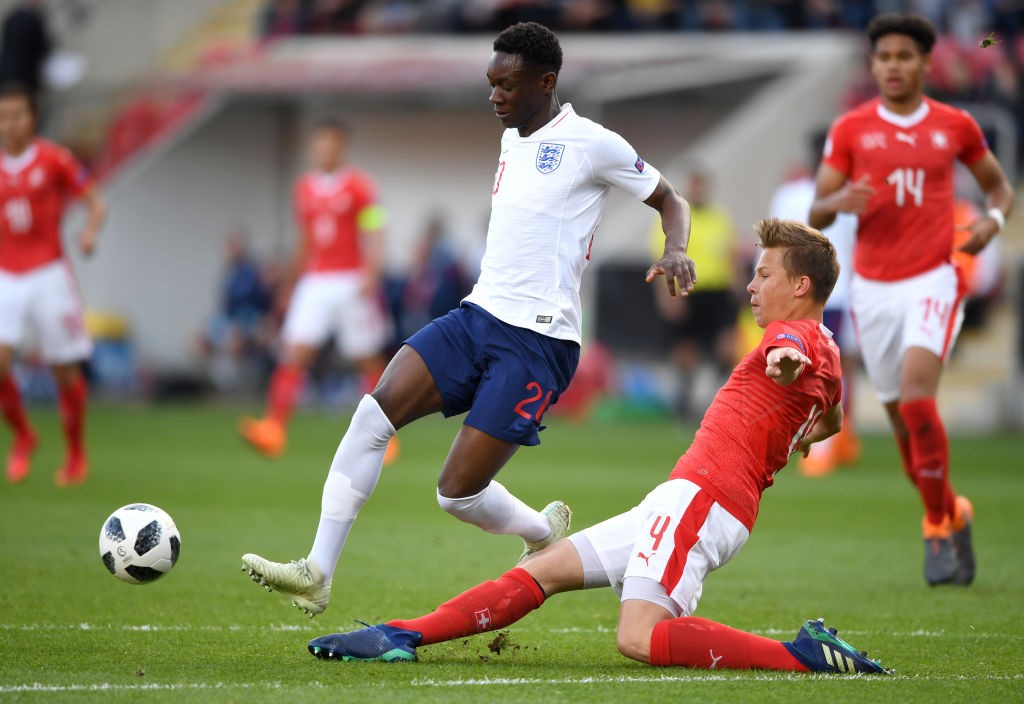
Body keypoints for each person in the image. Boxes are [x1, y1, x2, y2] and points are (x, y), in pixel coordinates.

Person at [241, 21, 695, 617]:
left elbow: (671, 199)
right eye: (490, 83)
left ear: (546, 81)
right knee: (371, 415)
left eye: (505, 85)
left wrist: (676, 247)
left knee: (456, 495)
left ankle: (538, 530)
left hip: (538, 341)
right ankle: (317, 571)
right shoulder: (511, 138)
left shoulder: (592, 143)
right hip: (477, 315)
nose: (494, 96)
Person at [305, 219, 888, 676]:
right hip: (685, 499)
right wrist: (804, 431)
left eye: (763, 275)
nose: (751, 286)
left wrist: (784, 368)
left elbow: (791, 356)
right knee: (545, 568)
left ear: (801, 286)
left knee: (638, 637)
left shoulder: (792, 338)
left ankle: (803, 655)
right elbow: (832, 412)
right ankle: (402, 635)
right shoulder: (829, 347)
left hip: (704, 501)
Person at [809, 13, 1014, 586]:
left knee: (919, 403)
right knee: (901, 420)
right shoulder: (851, 129)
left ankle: (933, 525)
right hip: (873, 288)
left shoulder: (956, 125)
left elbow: (1000, 187)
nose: (893, 65)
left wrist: (992, 222)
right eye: (884, 57)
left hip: (933, 279)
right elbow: (818, 208)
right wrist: (841, 200)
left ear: (926, 62)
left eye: (904, 56)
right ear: (872, 65)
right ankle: (953, 509)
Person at [238, 119, 393, 460]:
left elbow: (376, 230)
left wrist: (371, 272)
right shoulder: (305, 189)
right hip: (315, 280)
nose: (323, 150)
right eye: (318, 144)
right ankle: (274, 428)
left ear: (342, 147)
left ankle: (387, 432)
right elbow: (305, 241)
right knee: (295, 352)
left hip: (350, 279)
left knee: (365, 358)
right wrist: (290, 285)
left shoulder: (358, 187)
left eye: (329, 144)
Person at [0, 82, 106, 485]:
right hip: (6, 275)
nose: (9, 124)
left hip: (48, 273)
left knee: (64, 369)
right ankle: (24, 436)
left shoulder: (53, 159)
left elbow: (96, 200)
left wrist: (90, 232)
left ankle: (76, 453)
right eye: (4, 116)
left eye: (17, 115)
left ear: (33, 118)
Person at [769, 135, 860, 476]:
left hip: (794, 294)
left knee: (800, 363)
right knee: (831, 366)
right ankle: (826, 443)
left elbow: (770, 247)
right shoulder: (846, 197)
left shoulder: (788, 194)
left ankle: (817, 437)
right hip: (833, 294)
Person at [650, 168, 740, 419]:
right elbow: (661, 258)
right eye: (695, 185)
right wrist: (667, 297)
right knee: (686, 352)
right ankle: (686, 402)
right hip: (687, 289)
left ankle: (713, 395)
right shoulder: (674, 217)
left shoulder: (720, 219)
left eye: (702, 185)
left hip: (717, 292)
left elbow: (731, 256)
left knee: (727, 348)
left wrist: (739, 290)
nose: (699, 190)